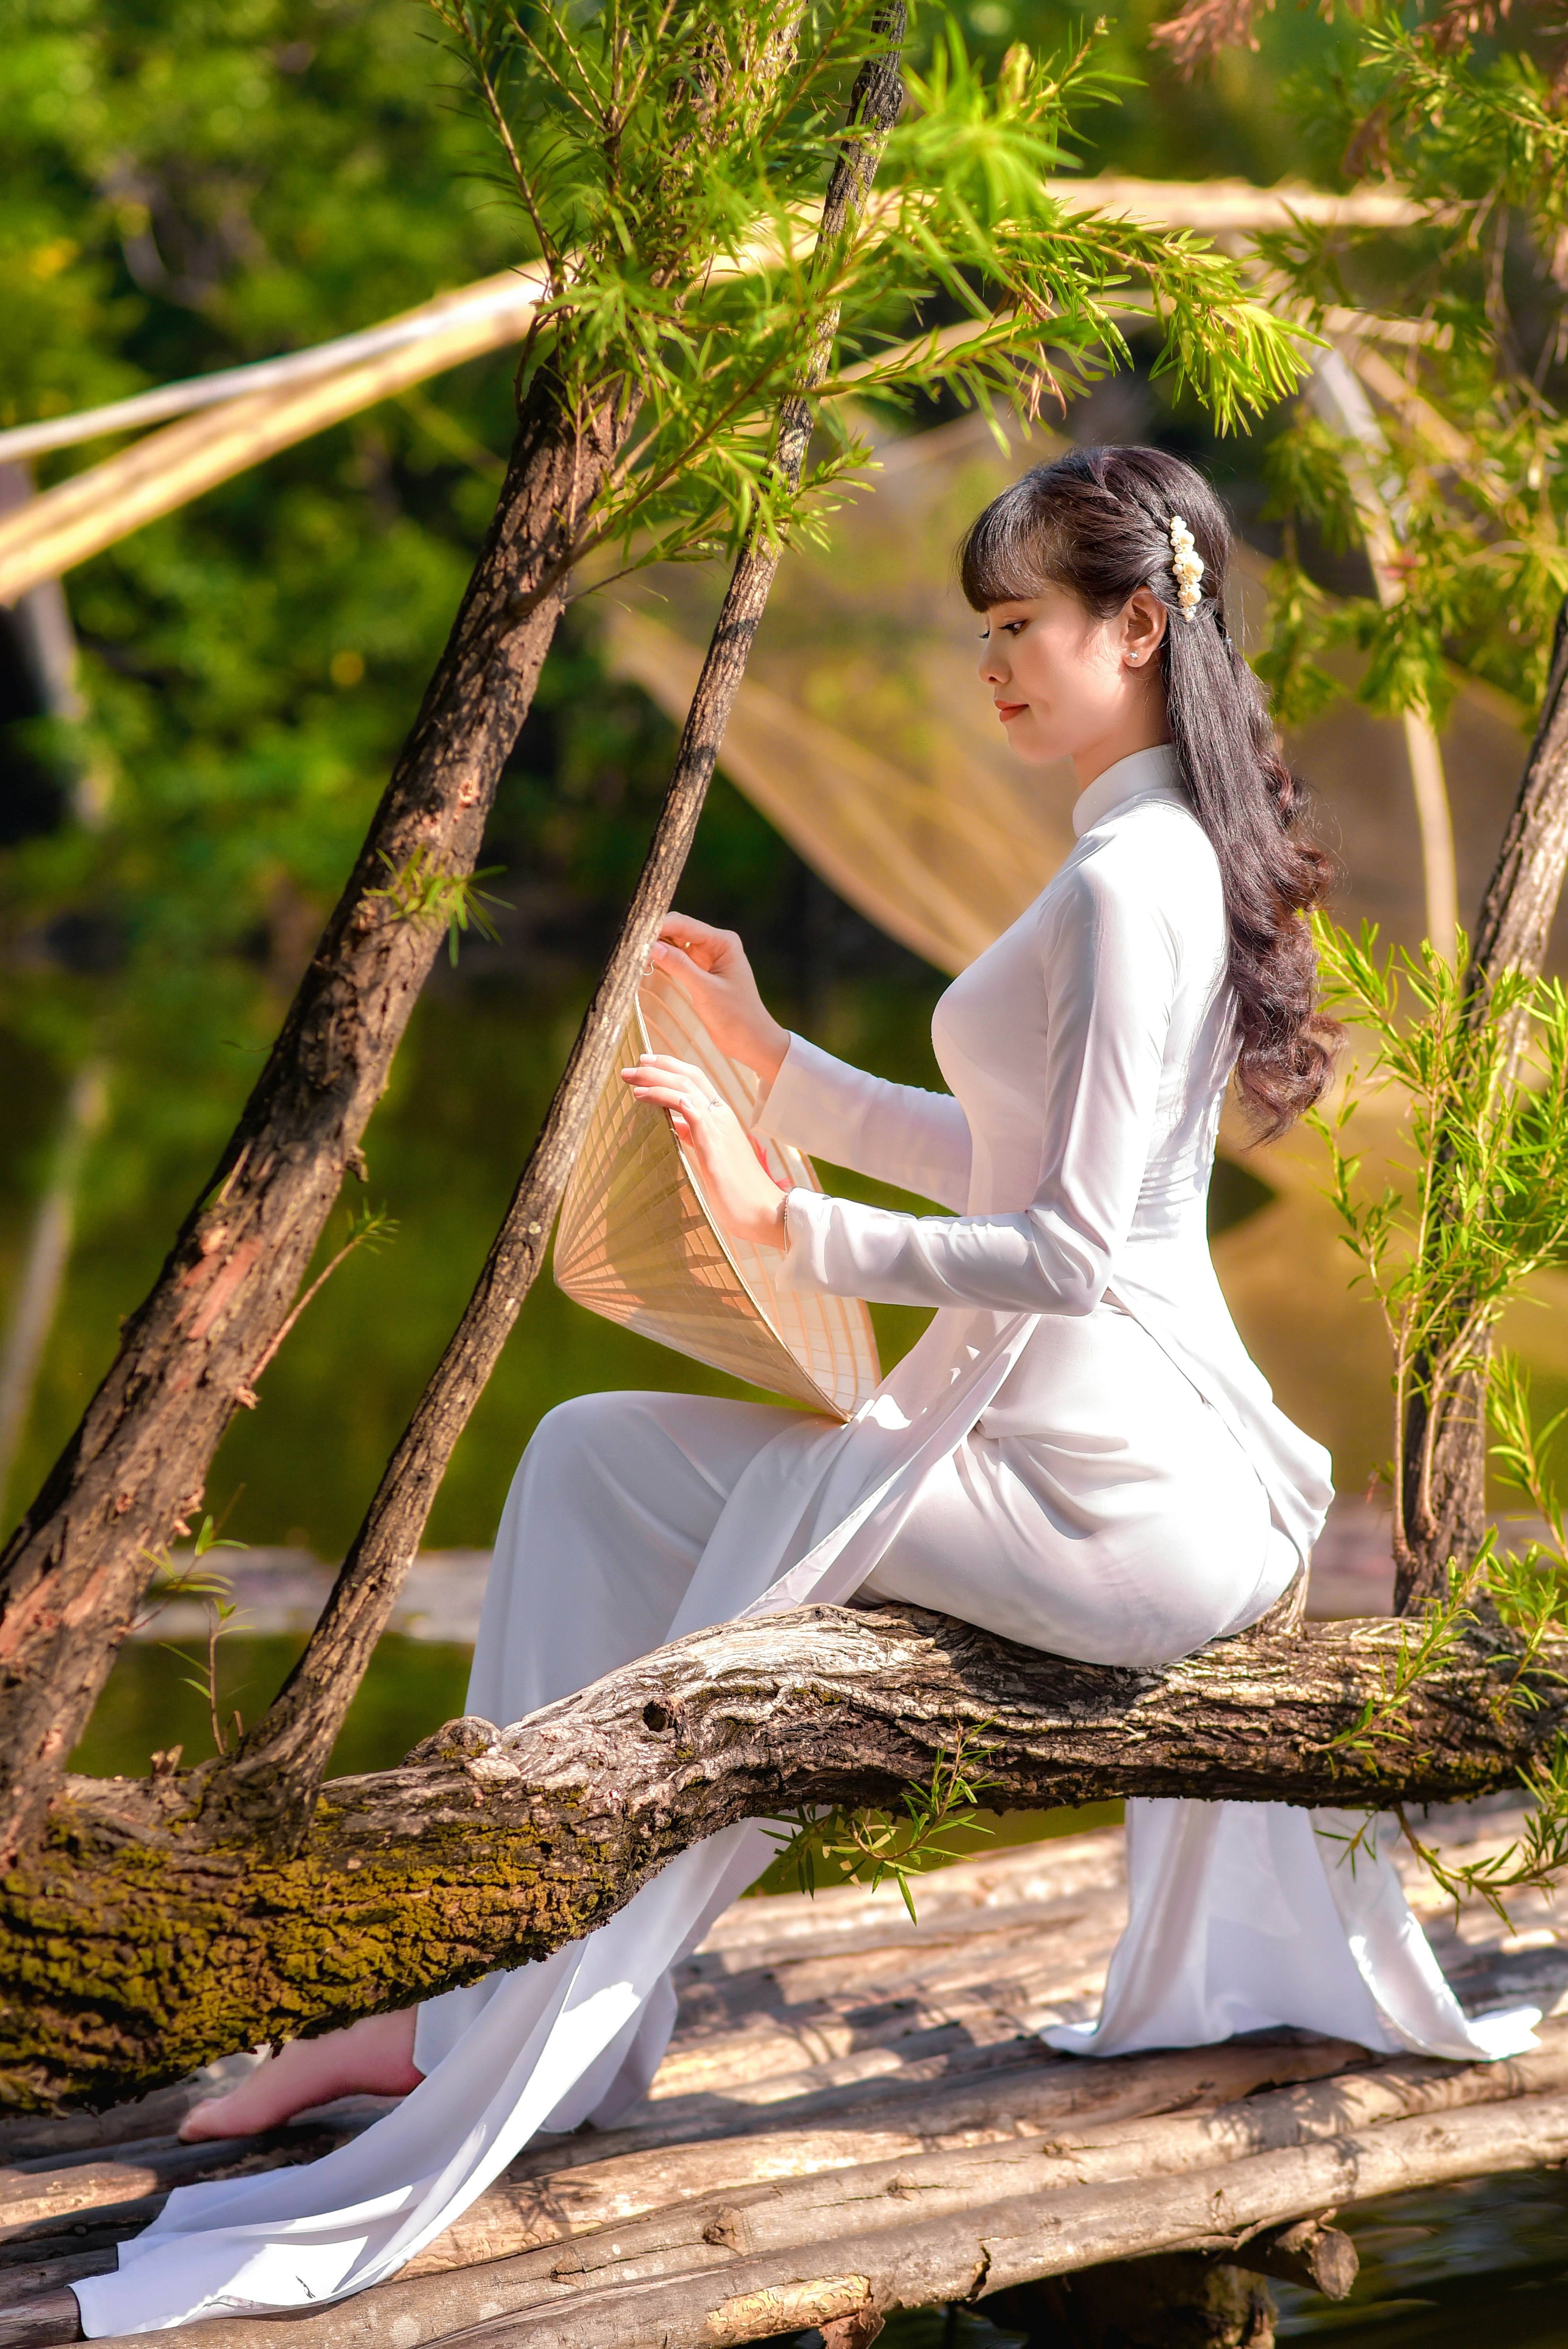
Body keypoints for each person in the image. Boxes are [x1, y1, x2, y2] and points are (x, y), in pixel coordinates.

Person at [71, 445, 1538, 2337]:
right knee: (597, 1457)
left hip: (1123, 1506)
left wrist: (798, 1226)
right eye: (985, 625)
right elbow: (1006, 1148)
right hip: (1095, 1457)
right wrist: (778, 1069)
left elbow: (1071, 1247)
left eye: (1022, 624)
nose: (993, 661)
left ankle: (486, 2027)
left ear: (1140, 626)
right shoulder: (1133, 850)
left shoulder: (1134, 883)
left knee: (608, 1473)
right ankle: (488, 2000)